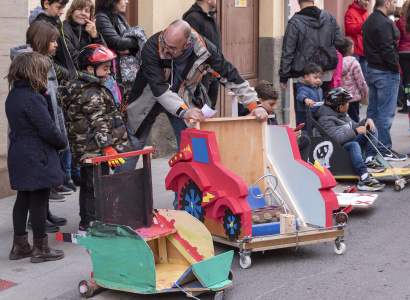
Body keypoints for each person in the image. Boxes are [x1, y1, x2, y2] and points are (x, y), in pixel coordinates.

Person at [123, 20, 267, 173]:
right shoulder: (152, 46)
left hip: (183, 101)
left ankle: (183, 196)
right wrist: (185, 112)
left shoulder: (205, 50)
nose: (165, 50)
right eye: (164, 43)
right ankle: (116, 192)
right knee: (132, 148)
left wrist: (254, 104)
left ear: (187, 45)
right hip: (148, 101)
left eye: (172, 48)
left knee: (189, 153)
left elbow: (230, 75)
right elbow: (159, 88)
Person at [57, 44, 132, 234]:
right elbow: (98, 121)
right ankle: (91, 224)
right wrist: (107, 147)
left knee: (90, 185)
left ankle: (88, 222)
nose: (108, 73)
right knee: (95, 187)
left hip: (87, 147)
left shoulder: (85, 87)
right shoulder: (91, 92)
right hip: (95, 148)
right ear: (90, 69)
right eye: (105, 68)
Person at [6, 52, 67, 263]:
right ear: (34, 72)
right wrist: (62, 143)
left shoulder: (13, 95)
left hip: (19, 153)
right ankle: (41, 248)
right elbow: (48, 130)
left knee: (22, 198)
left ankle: (19, 245)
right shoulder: (33, 98)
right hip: (37, 156)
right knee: (39, 200)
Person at [10, 21, 70, 232]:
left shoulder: (45, 63)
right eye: (53, 40)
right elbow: (40, 117)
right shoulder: (30, 68)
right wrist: (59, 138)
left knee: (37, 190)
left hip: (45, 129)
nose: (55, 45)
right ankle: (38, 237)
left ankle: (42, 215)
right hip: (37, 139)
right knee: (36, 188)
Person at [279, 0, 344, 113]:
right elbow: (339, 42)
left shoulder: (294, 22)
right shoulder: (330, 18)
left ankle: (306, 131)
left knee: (303, 110)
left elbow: (288, 51)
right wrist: (325, 51)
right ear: (313, 1)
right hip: (325, 70)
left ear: (299, 2)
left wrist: (284, 75)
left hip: (303, 73)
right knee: (325, 109)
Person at [316, 87, 386, 191]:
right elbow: (336, 139)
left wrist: (367, 121)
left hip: (347, 141)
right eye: (347, 103)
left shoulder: (342, 114)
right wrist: (356, 132)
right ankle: (364, 177)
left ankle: (369, 159)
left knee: (370, 128)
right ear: (340, 106)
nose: (349, 104)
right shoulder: (325, 119)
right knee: (354, 145)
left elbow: (354, 125)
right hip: (337, 148)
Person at [362, 0, 407, 161]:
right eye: (394, 2)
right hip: (385, 72)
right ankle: (384, 149)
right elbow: (388, 49)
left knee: (373, 112)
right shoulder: (382, 22)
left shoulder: (370, 20)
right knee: (385, 114)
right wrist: (395, 68)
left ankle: (372, 149)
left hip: (373, 70)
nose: (395, 5)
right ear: (387, 3)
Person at [238, 80, 311, 163]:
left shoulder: (271, 113)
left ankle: (302, 168)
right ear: (259, 101)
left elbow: (276, 131)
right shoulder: (253, 115)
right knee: (304, 142)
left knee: (304, 140)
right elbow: (265, 141)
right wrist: (289, 137)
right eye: (271, 104)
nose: (274, 108)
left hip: (276, 146)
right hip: (266, 151)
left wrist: (289, 132)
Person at [95, 0, 140, 99]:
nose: (127, 2)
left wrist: (130, 49)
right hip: (110, 73)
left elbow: (134, 41)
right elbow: (118, 42)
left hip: (123, 74)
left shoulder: (120, 17)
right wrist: (135, 42)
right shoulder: (101, 18)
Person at [183, 0, 222, 109]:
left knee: (210, 109)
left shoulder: (211, 17)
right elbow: (190, 47)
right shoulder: (192, 18)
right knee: (199, 110)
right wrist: (200, 68)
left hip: (214, 73)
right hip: (202, 74)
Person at [29, 0, 77, 80]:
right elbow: (46, 61)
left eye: (63, 8)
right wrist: (69, 74)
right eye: (59, 7)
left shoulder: (54, 21)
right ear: (46, 4)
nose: (62, 12)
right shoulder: (41, 26)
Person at [63, 0, 105, 66]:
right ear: (72, 12)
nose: (83, 13)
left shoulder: (89, 30)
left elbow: (104, 54)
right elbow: (71, 56)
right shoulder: (64, 28)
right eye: (79, 9)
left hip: (90, 70)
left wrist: (95, 37)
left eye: (87, 11)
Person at [339, 37, 368, 122]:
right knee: (354, 119)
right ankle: (354, 135)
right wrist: (364, 93)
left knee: (343, 120)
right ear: (348, 49)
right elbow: (360, 81)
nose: (353, 49)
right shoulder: (354, 63)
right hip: (353, 97)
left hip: (341, 97)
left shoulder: (337, 62)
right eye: (353, 47)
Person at [296, 63, 323, 134]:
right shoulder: (303, 88)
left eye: (319, 78)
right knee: (305, 135)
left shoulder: (319, 89)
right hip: (305, 119)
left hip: (315, 118)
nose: (318, 80)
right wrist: (306, 99)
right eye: (315, 77)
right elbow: (300, 95)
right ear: (306, 77)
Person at [345, 0, 370, 77]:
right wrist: (362, 25)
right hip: (354, 50)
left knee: (364, 77)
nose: (367, 2)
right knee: (353, 76)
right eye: (365, 0)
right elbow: (349, 28)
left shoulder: (366, 13)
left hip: (364, 49)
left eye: (368, 1)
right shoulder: (350, 12)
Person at [395, 1, 410, 113]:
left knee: (407, 82)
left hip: (403, 53)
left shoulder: (400, 22)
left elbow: (394, 36)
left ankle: (407, 105)